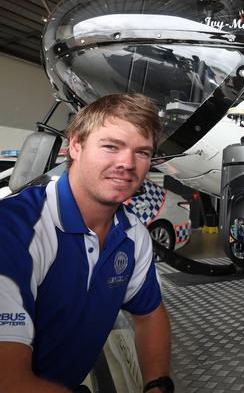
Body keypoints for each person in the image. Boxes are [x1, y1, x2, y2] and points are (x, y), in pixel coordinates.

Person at [0, 93, 174, 393]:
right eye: (111, 146)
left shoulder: (133, 234)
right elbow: (8, 381)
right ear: (76, 145)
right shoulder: (16, 228)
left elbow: (150, 314)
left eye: (142, 152)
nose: (127, 164)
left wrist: (157, 385)